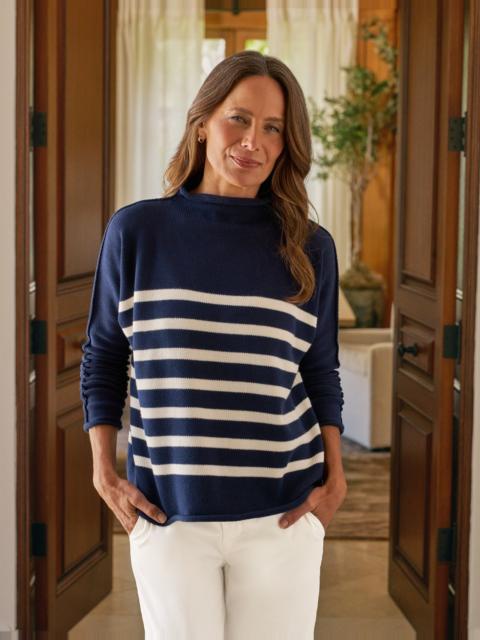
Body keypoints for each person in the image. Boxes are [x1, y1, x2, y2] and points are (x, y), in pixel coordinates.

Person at [80, 49, 347, 640]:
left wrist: (335, 478)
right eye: (239, 119)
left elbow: (320, 370)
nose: (253, 141)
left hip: (284, 513)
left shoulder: (311, 247)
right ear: (202, 123)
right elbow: (103, 355)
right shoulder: (136, 232)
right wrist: (103, 470)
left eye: (273, 128)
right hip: (168, 511)